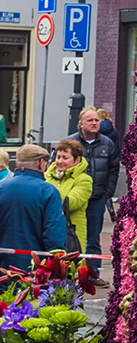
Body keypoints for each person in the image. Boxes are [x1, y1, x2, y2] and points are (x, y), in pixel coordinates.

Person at [0, 145, 71, 274]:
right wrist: (57, 263)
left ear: (16, 163)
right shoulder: (48, 191)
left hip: (3, 265)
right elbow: (53, 234)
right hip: (35, 269)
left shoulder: (2, 188)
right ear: (41, 163)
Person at [70, 108, 120, 260]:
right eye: (90, 120)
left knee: (93, 239)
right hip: (76, 199)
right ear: (81, 124)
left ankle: (93, 271)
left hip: (97, 198)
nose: (94, 123)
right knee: (73, 236)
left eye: (96, 120)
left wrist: (108, 192)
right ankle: (74, 269)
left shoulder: (107, 144)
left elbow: (114, 169)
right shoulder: (71, 143)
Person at [48, 139, 91, 254]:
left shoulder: (84, 180)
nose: (60, 161)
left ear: (77, 160)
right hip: (49, 231)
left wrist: (48, 191)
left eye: (65, 158)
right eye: (58, 157)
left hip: (71, 233)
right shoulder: (47, 175)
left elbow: (72, 203)